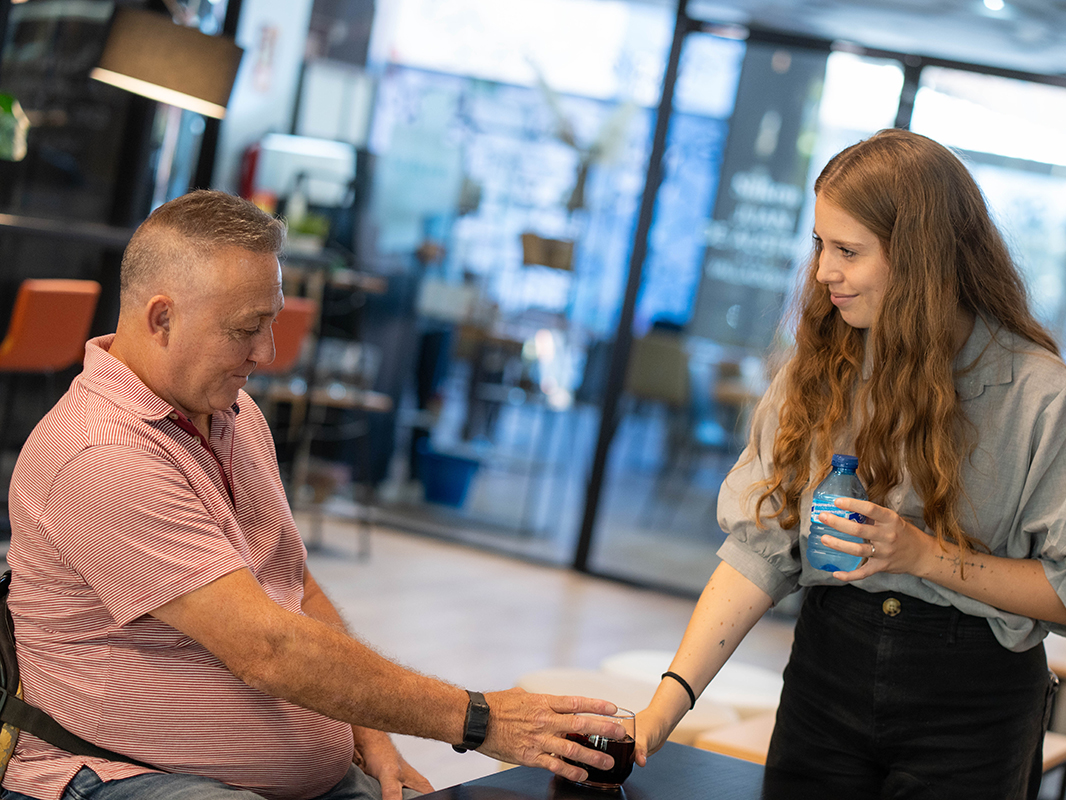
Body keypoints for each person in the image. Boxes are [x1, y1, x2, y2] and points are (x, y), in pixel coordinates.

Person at [3, 190, 625, 800]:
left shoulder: (233, 413)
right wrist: (480, 719)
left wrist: (371, 732)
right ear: (161, 319)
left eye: (270, 322)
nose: (267, 354)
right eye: (246, 329)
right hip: (118, 772)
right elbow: (268, 649)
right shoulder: (100, 453)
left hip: (290, 773)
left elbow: (294, 586)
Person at [634, 129, 1066, 799]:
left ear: (921, 259)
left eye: (848, 251)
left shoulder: (1040, 396)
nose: (822, 273)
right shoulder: (819, 370)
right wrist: (666, 706)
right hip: (826, 669)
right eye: (819, 246)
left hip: (974, 705)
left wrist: (925, 556)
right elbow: (759, 551)